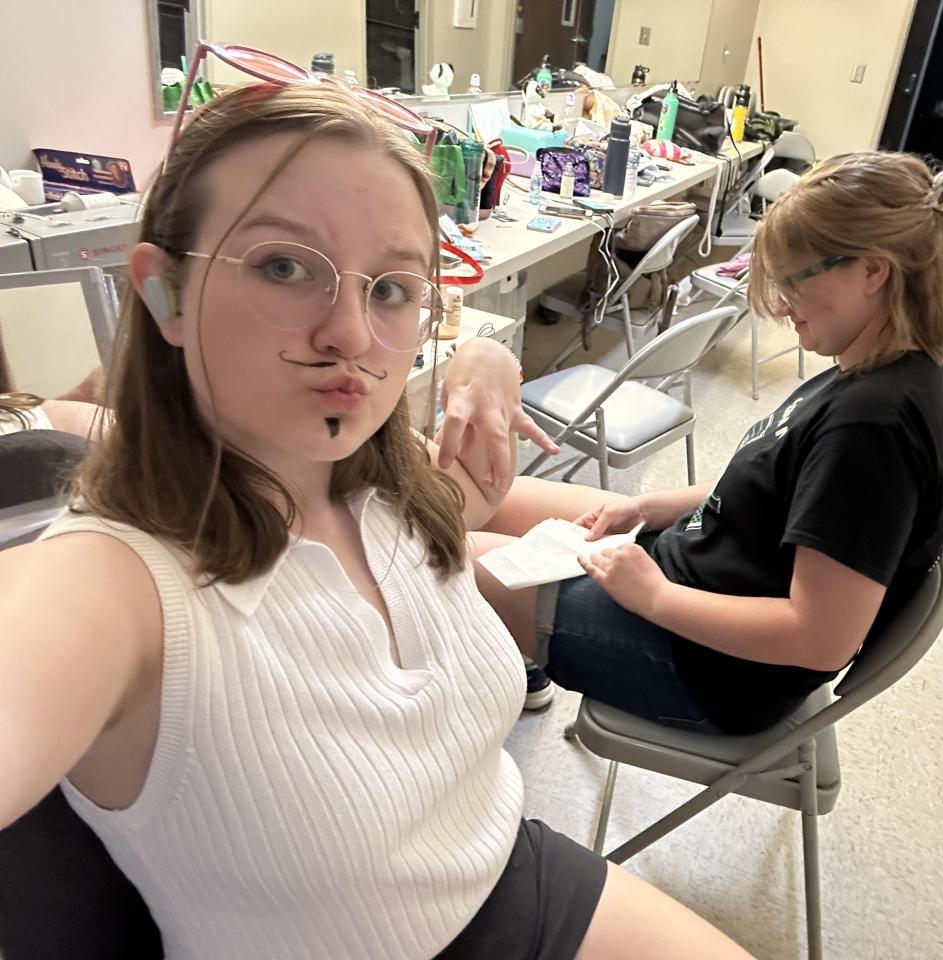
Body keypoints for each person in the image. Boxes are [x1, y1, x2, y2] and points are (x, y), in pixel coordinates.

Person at [0, 81, 751, 959]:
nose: (351, 335)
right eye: (284, 267)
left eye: (392, 288)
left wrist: (485, 357)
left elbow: (492, 495)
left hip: (512, 872)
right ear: (164, 291)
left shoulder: (381, 490)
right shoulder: (110, 583)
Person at [477, 151, 943, 735]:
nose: (780, 306)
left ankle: (502, 655)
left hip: (705, 666)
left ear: (873, 271)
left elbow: (820, 639)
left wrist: (653, 597)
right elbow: (778, 493)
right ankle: (513, 641)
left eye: (793, 282)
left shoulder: (874, 428)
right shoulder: (871, 371)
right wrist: (648, 506)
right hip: (694, 571)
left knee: (448, 555)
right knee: (493, 494)